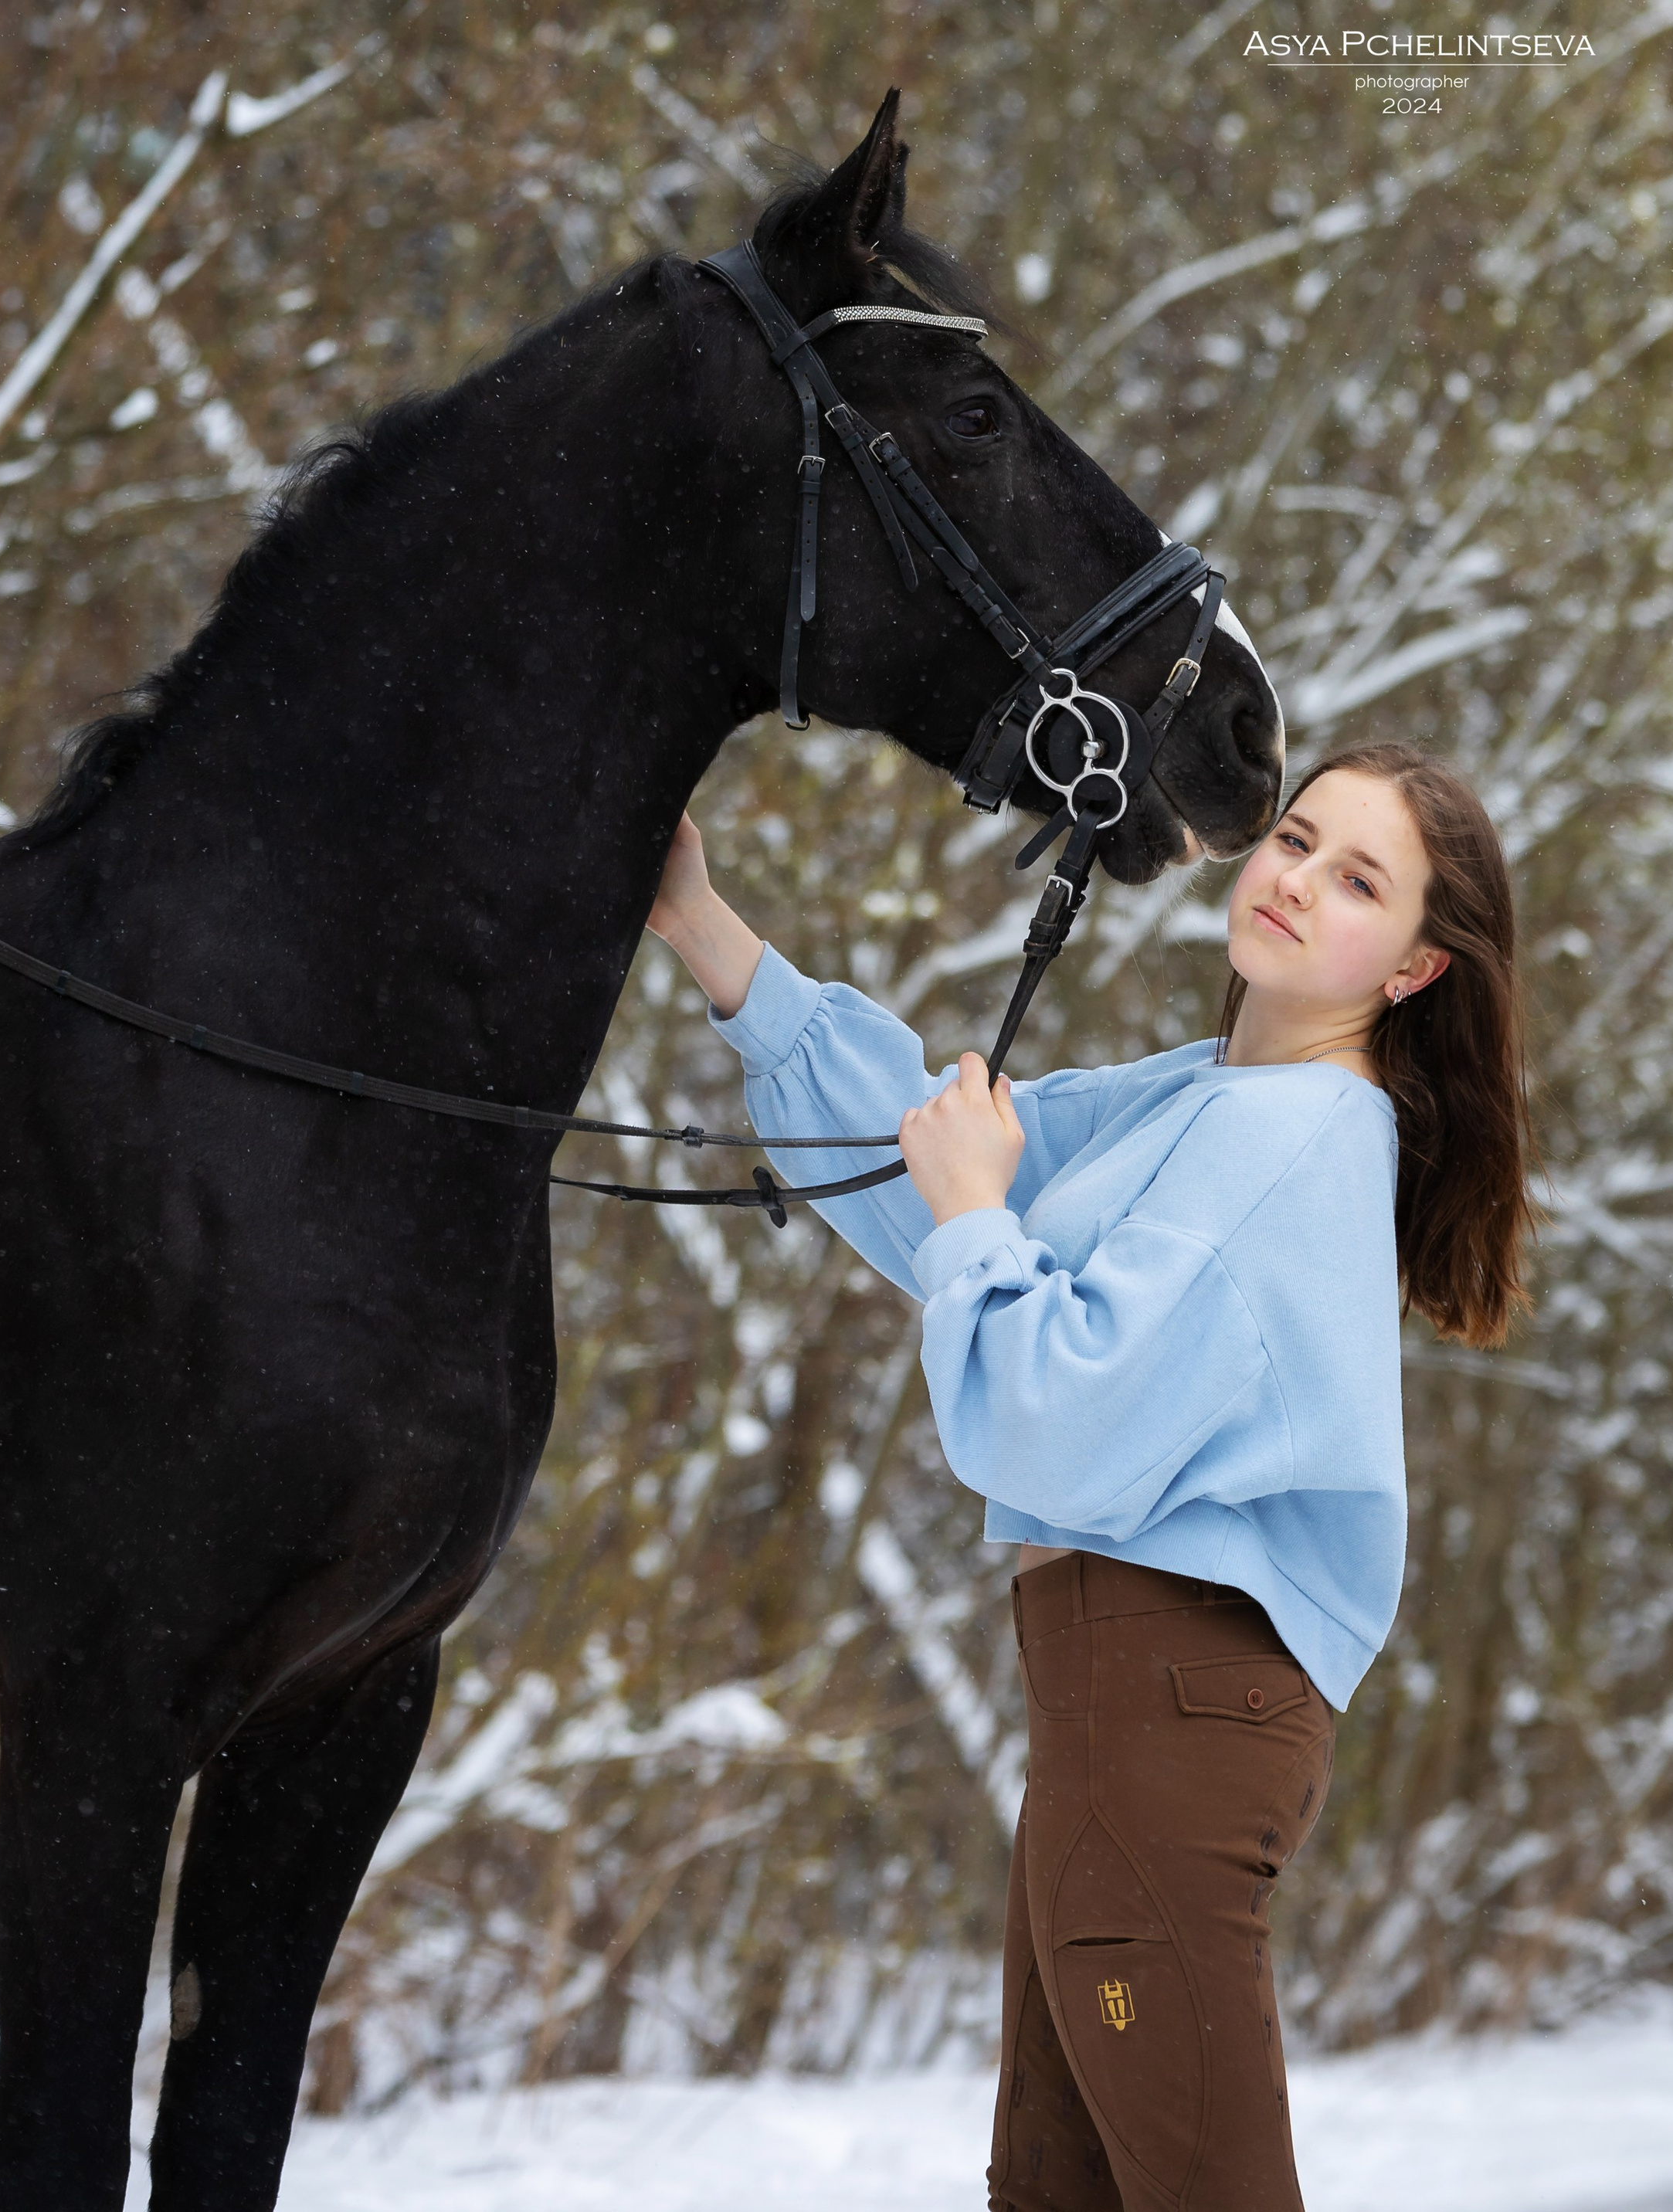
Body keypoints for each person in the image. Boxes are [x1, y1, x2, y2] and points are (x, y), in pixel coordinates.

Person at [646, 739, 1536, 2212]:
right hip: (1124, 1712)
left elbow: (1051, 1416)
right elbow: (936, 1168)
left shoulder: (1291, 1138)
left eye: (1360, 880)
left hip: (1164, 1713)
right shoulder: (1210, 1097)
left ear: (1418, 971)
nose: (1298, 882)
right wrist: (704, 927)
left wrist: (978, 1220)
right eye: (1297, 841)